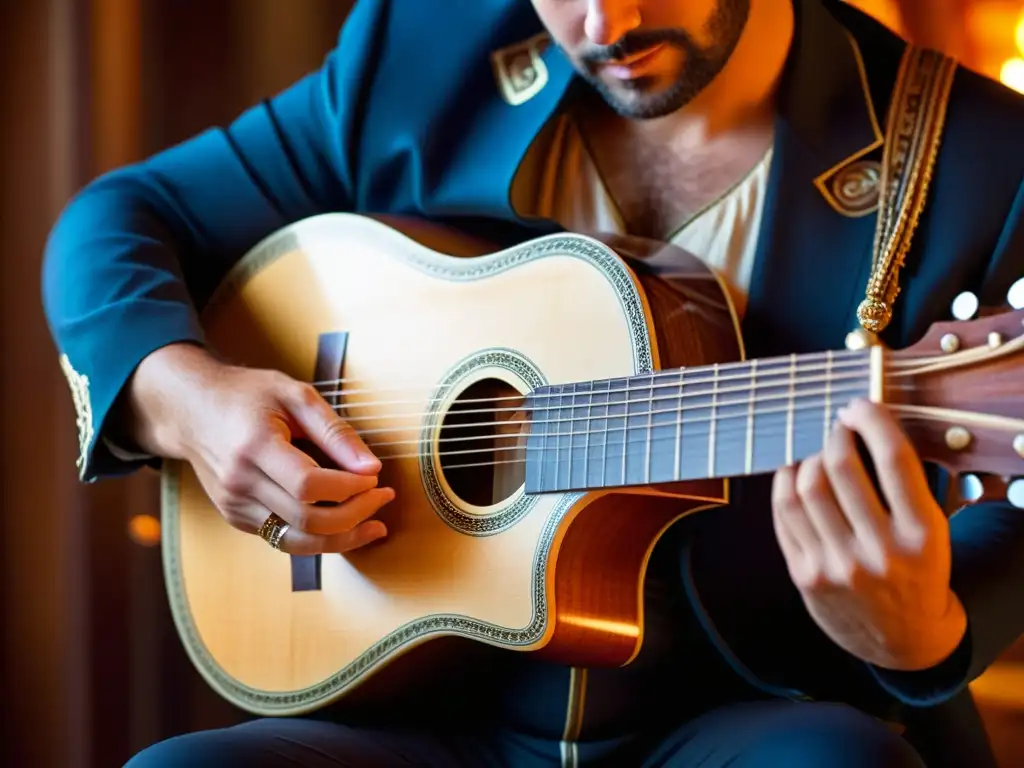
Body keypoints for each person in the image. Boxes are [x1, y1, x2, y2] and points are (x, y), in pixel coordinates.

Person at [41, 0, 1024, 766]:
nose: (604, 27)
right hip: (428, 708)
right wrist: (190, 402)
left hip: (754, 711)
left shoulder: (977, 158)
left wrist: (918, 629)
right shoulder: (425, 51)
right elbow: (122, 216)